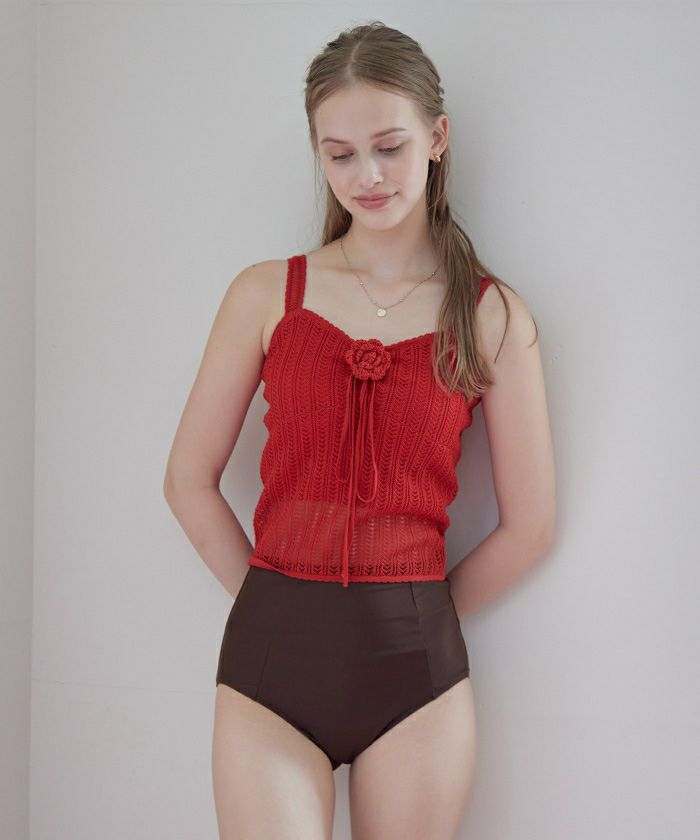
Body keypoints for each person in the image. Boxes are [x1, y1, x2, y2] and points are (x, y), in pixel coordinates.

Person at [163, 20, 556, 840]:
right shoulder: (263, 294)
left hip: (417, 683)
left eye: (389, 147)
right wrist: (274, 602)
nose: (366, 176)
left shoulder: (491, 315)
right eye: (339, 154)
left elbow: (531, 526)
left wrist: (414, 612)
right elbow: (187, 480)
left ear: (437, 138)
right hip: (269, 667)